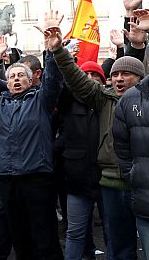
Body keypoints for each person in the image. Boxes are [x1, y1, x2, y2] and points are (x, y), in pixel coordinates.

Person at [0, 14, 65, 260]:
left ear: (32, 79)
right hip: (8, 180)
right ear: (6, 82)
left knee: (45, 239)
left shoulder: (41, 100)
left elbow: (54, 81)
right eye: (12, 76)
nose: (16, 79)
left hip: (37, 178)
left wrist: (52, 50)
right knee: (20, 240)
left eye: (21, 75)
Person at [47, 27, 117, 260]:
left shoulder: (109, 102)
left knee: (112, 234)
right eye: (85, 76)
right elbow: (61, 81)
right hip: (77, 179)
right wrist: (62, 53)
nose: (89, 80)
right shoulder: (68, 101)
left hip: (108, 180)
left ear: (102, 80)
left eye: (95, 76)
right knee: (75, 233)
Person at [113, 61, 149, 256]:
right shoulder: (130, 99)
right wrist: (135, 175)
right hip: (145, 201)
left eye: (125, 74)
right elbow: (122, 147)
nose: (119, 79)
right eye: (115, 74)